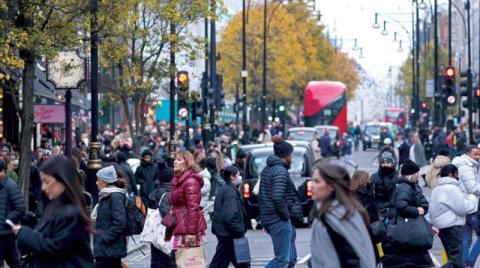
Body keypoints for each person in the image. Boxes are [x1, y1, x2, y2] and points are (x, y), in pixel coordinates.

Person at [12, 155, 94, 267]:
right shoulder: (54, 206)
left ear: (62, 180)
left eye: (47, 182)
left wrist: (25, 233)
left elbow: (55, 247)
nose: (43, 187)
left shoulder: (71, 213)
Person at [309, 163, 376, 267]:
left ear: (331, 186)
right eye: (312, 180)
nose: (311, 185)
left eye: (317, 181)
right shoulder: (353, 211)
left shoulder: (325, 219)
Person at [258, 135, 302, 268]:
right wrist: (286, 216)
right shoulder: (280, 171)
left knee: (291, 259)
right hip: (279, 220)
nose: (292, 158)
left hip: (275, 218)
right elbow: (277, 197)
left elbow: (263, 196)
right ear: (285, 155)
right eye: (291, 155)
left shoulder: (269, 169)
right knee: (282, 260)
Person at [382, 159, 433, 268]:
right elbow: (401, 206)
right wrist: (417, 211)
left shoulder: (409, 186)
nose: (418, 176)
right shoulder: (405, 188)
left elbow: (423, 204)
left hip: (406, 230)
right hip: (406, 230)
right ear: (411, 174)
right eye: (416, 173)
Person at [430, 164, 477, 268]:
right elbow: (463, 208)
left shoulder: (436, 189)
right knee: (457, 262)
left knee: (453, 259)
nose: (458, 177)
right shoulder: (452, 189)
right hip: (452, 228)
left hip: (442, 228)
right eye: (457, 175)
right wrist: (472, 199)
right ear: (452, 174)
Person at [169, 151, 207, 260]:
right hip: (180, 225)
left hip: (187, 228)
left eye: (179, 160)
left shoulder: (190, 181)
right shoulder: (179, 180)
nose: (175, 162)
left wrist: (191, 233)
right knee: (178, 260)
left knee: (188, 261)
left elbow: (193, 208)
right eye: (175, 159)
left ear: (187, 163)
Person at [210, 166, 249, 268]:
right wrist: (239, 230)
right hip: (230, 234)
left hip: (226, 233)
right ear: (232, 177)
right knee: (222, 262)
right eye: (238, 175)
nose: (240, 177)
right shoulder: (230, 192)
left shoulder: (225, 189)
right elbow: (229, 215)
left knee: (239, 262)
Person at [92, 165, 127, 268]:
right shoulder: (105, 195)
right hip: (107, 249)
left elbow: (120, 223)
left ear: (105, 181)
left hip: (109, 248)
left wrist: (104, 237)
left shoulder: (115, 196)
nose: (96, 182)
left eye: (99, 180)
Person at [452, 145, 480, 266]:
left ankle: (464, 264)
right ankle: (469, 261)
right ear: (468, 153)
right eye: (475, 154)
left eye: (479, 154)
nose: (478, 157)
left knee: (466, 239)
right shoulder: (467, 167)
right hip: (472, 207)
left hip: (463, 207)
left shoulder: (462, 164)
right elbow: (473, 188)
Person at [0, 159, 25, 268]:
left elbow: (20, 208)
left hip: (5, 234)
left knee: (14, 261)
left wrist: (7, 220)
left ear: (2, 172)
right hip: (3, 233)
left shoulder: (10, 185)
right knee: (14, 261)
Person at [370, 152, 398, 221]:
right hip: (378, 210)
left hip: (394, 210)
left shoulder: (398, 177)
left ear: (392, 164)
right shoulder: (374, 177)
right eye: (383, 163)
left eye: (388, 163)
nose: (385, 165)